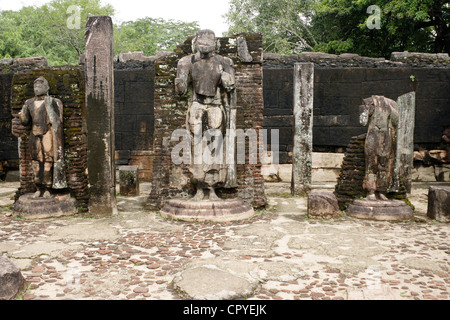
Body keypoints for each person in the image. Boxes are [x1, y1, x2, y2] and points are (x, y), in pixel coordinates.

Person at [175, 29, 237, 201]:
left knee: (215, 148)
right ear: (195, 43)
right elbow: (180, 91)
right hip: (196, 104)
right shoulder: (187, 61)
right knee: (196, 147)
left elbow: (230, 89)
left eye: (209, 41)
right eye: (201, 41)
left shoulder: (224, 62)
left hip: (216, 105)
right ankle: (199, 188)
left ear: (216, 44)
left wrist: (226, 78)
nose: (205, 45)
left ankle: (213, 188)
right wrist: (181, 78)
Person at [18, 77, 67, 198]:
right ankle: (38, 187)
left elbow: (58, 121)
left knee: (47, 160)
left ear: (47, 88)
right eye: (35, 87)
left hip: (47, 134)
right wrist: (21, 115)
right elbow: (25, 121)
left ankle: (47, 188)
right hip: (34, 134)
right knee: (36, 160)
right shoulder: (29, 103)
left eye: (40, 86)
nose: (37, 89)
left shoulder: (53, 101)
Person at [359, 96, 399, 201]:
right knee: (371, 163)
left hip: (387, 135)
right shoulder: (368, 102)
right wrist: (364, 109)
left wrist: (391, 109)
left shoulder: (392, 104)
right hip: (374, 134)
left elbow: (397, 121)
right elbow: (362, 121)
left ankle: (382, 190)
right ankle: (371, 190)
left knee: (384, 163)